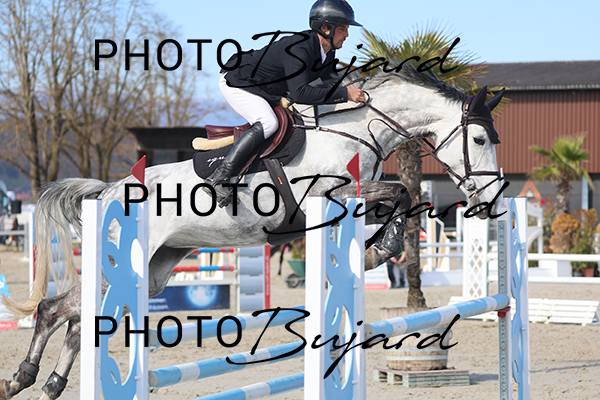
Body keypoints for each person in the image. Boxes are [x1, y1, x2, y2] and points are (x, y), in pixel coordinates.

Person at [204, 0, 366, 207]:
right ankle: (219, 177)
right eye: (343, 28)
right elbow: (300, 93)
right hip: (238, 82)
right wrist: (344, 94)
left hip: (265, 87)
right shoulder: (299, 48)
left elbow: (328, 79)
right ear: (325, 28)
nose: (347, 34)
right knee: (268, 123)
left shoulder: (327, 51)